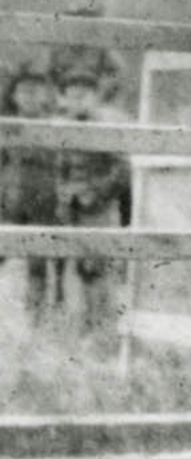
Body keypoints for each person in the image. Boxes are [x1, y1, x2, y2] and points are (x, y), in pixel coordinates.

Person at [51, 53, 131, 330]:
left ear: (96, 97)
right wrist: (63, 197)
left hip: (98, 208)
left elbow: (122, 169)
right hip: (71, 207)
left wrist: (97, 193)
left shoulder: (106, 127)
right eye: (72, 97)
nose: (78, 102)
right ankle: (82, 326)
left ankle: (104, 325)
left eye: (84, 96)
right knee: (74, 267)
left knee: (98, 266)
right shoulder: (63, 128)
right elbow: (60, 168)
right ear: (64, 99)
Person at [0, 65, 61, 319]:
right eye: (24, 92)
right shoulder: (6, 124)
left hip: (43, 198)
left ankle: (36, 318)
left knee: (38, 263)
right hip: (9, 198)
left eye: (35, 92)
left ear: (45, 95)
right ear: (14, 95)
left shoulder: (54, 126)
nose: (29, 97)